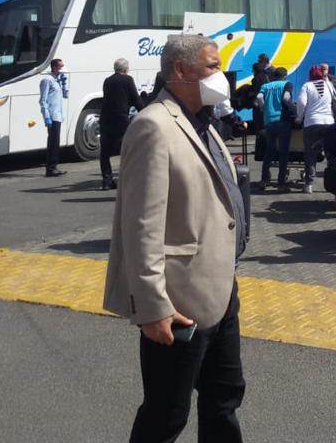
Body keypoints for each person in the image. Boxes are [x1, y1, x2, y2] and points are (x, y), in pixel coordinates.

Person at [103, 34, 247, 443]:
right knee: (167, 413)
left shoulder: (203, 123)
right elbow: (141, 225)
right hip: (178, 299)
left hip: (220, 291)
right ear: (181, 70)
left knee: (224, 398)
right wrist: (152, 307)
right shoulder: (153, 126)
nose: (221, 75)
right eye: (213, 66)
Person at [99, 58, 146, 190]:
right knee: (126, 150)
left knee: (104, 152)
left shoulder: (107, 80)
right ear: (126, 69)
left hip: (106, 119)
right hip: (121, 119)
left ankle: (107, 181)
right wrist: (144, 110)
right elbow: (135, 99)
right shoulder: (128, 80)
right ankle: (126, 179)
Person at [296, 65, 336, 194]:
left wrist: (299, 117)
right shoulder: (329, 85)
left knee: (310, 154)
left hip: (312, 123)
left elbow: (301, 102)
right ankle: (334, 182)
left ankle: (309, 184)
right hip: (329, 122)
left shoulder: (307, 86)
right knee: (331, 154)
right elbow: (335, 101)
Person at [257, 67, 294, 189]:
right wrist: (293, 109)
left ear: (274, 76)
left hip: (269, 121)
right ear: (285, 76)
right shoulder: (287, 84)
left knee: (269, 150)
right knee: (283, 152)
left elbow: (259, 97)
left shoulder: (265, 86)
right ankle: (281, 183)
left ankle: (264, 179)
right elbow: (286, 98)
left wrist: (263, 108)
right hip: (282, 120)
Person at [38, 58, 68, 177]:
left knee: (56, 142)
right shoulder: (47, 80)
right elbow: (43, 100)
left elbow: (65, 96)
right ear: (54, 67)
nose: (62, 69)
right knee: (53, 142)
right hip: (52, 115)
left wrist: (64, 84)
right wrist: (46, 117)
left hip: (58, 115)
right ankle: (51, 168)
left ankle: (53, 166)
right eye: (60, 67)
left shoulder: (57, 80)